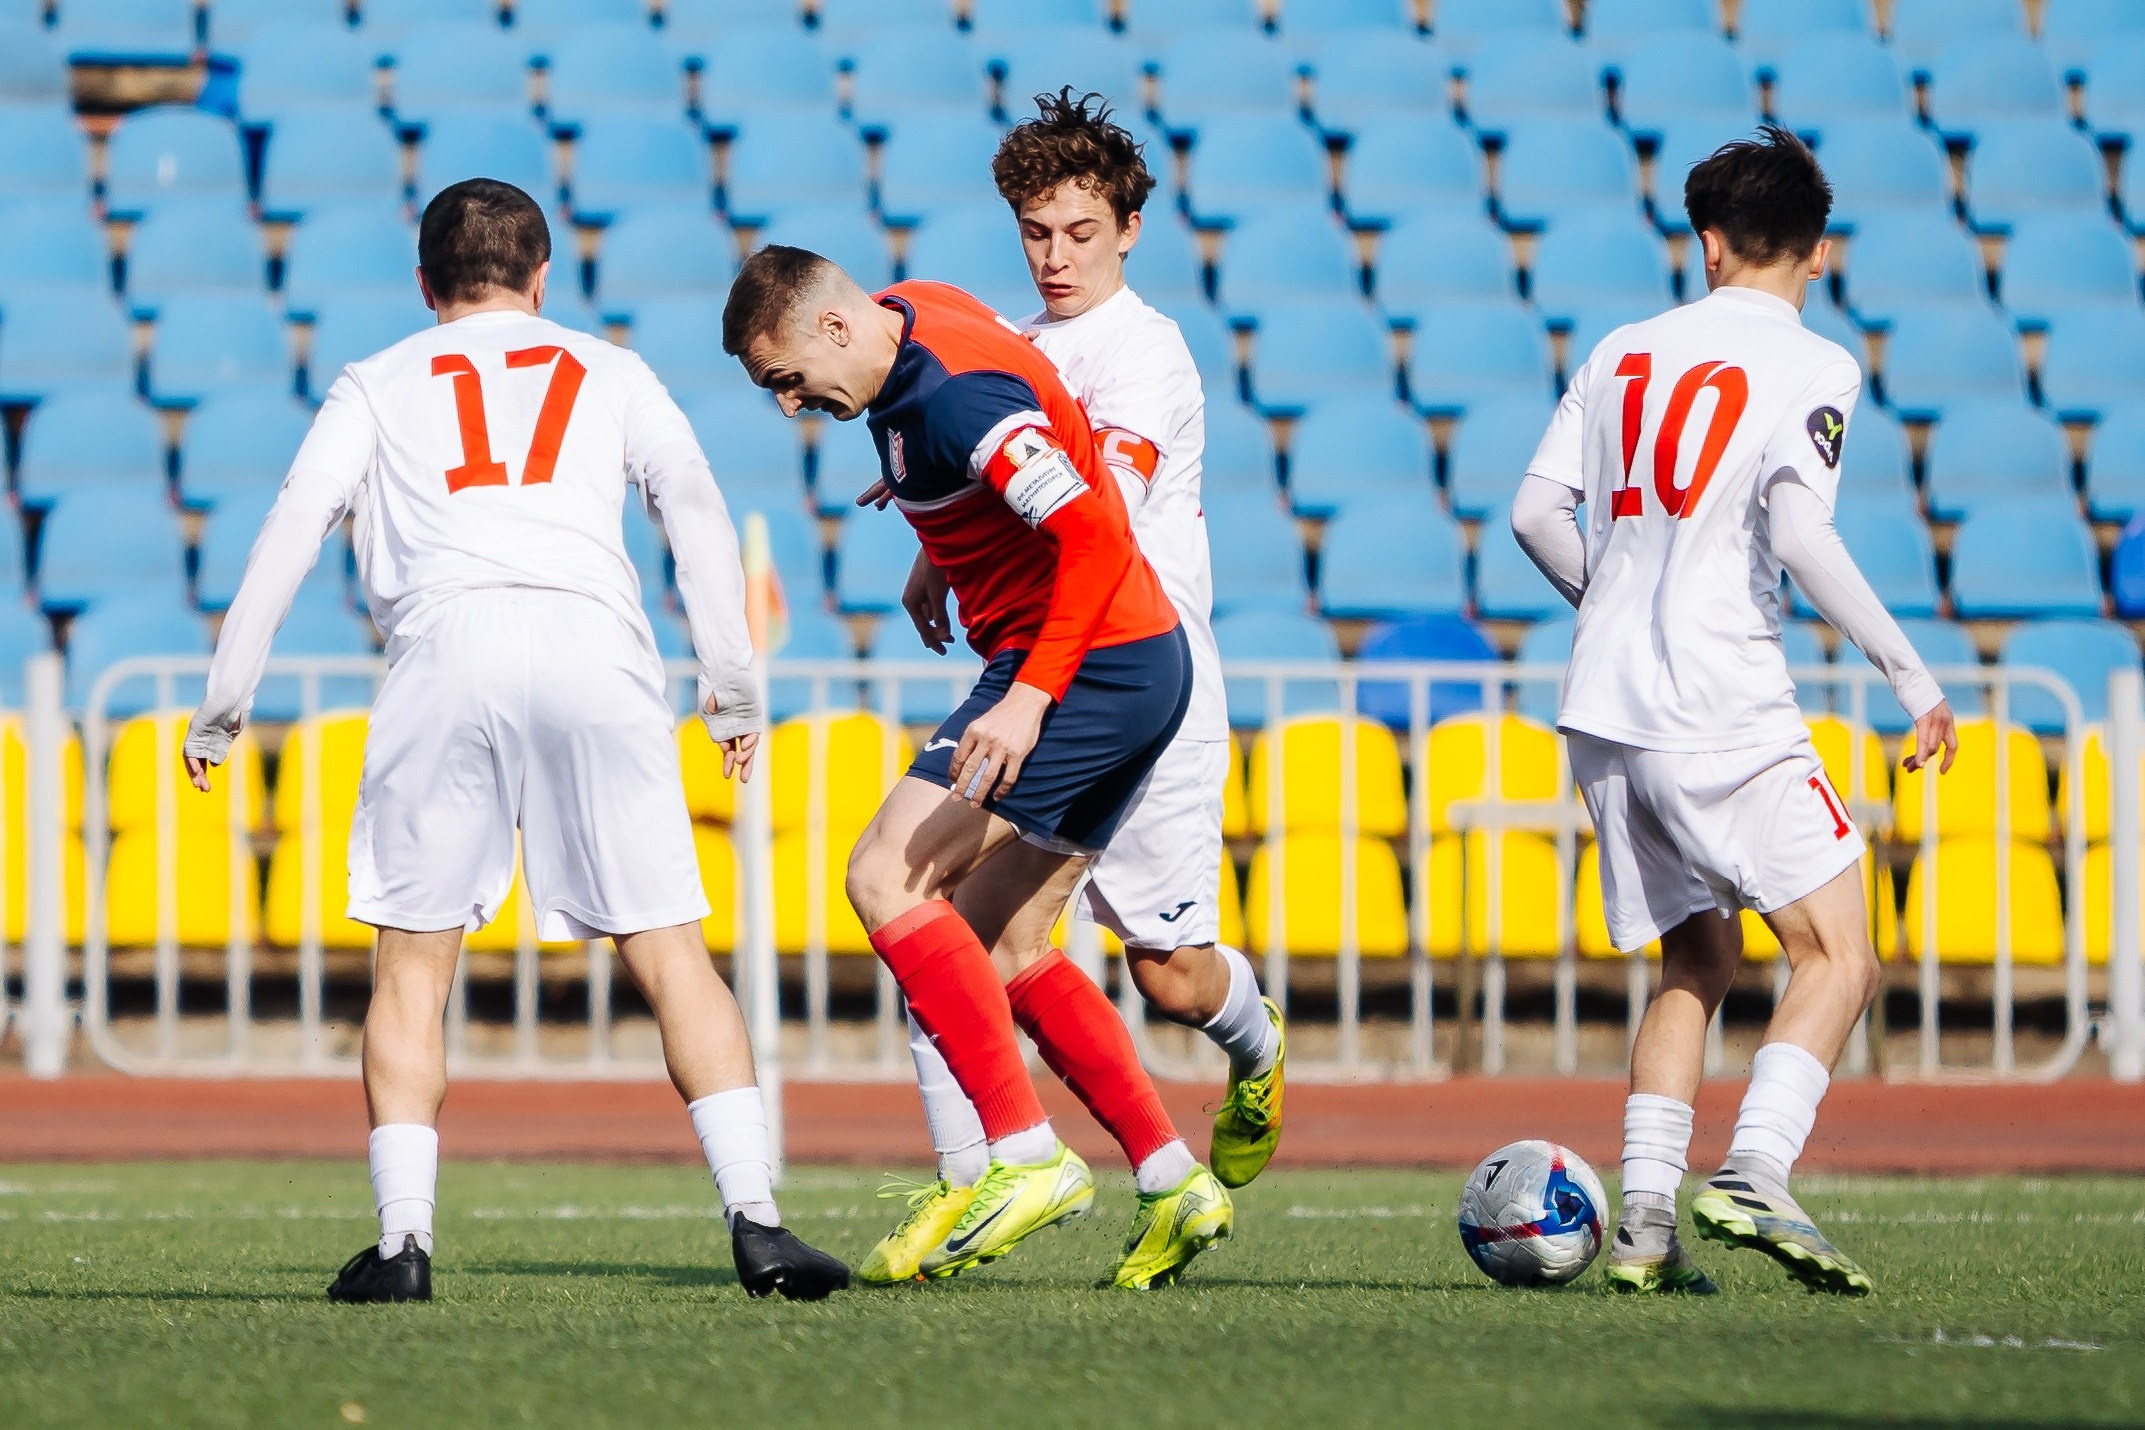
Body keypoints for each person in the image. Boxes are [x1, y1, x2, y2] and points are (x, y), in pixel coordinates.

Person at [182, 179, 848, 1304]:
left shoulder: (377, 380)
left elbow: (295, 521)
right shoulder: (611, 369)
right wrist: (731, 687)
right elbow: (692, 504)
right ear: (542, 279)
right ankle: (760, 1223)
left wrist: (223, 700)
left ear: (425, 284)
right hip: (594, 647)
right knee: (670, 951)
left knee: (413, 965)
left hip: (446, 649)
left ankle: (403, 1244)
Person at [721, 246, 1234, 1290]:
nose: (789, 405)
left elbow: (1095, 532)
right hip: (1133, 660)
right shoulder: (915, 310)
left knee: (885, 875)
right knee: (1004, 939)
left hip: (1084, 665)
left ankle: (1021, 1153)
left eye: (787, 379)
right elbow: (1020, 414)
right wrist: (937, 533)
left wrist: (1031, 696)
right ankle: (1173, 1175)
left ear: (833, 327)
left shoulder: (957, 403)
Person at [1511, 126, 1957, 1297]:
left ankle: (1646, 1227)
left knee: (1697, 957)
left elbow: (1532, 512)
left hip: (1604, 707)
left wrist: (1614, 598)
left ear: (1707, 244)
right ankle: (1757, 1167)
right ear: (1820, 252)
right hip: (1721, 697)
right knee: (1841, 952)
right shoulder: (1815, 363)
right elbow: (1801, 532)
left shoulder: (1621, 350)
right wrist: (1912, 676)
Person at [854, 90, 1286, 1288]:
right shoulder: (1012, 342)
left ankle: (1251, 1049)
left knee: (1168, 972)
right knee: (961, 923)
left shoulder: (1145, 354)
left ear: (1129, 229)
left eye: (1081, 232)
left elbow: (1100, 523)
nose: (1056, 256)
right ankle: (1024, 1174)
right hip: (1063, 672)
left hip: (1133, 673)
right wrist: (937, 542)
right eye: (1037, 232)